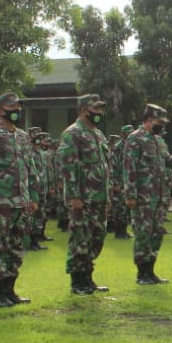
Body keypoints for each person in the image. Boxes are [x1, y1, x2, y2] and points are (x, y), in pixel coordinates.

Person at [0, 92, 36, 307]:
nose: (16, 110)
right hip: (1, 203)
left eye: (18, 106)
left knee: (16, 249)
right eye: (11, 106)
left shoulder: (22, 136)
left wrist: (32, 196)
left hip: (21, 202)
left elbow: (29, 168)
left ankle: (10, 290)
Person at [58, 93, 112, 294]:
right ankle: (77, 282)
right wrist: (74, 197)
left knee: (96, 239)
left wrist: (107, 196)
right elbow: (67, 166)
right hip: (82, 198)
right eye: (95, 109)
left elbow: (104, 167)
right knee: (80, 239)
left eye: (100, 110)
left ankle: (88, 278)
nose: (99, 113)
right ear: (83, 110)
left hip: (99, 198)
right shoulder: (72, 134)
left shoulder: (97, 134)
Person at [124, 104, 172, 284]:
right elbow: (129, 167)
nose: (162, 125)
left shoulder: (159, 140)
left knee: (156, 234)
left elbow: (168, 161)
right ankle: (142, 273)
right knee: (143, 234)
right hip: (142, 197)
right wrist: (130, 194)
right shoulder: (134, 139)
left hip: (159, 197)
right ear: (148, 120)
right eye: (159, 122)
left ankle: (151, 271)